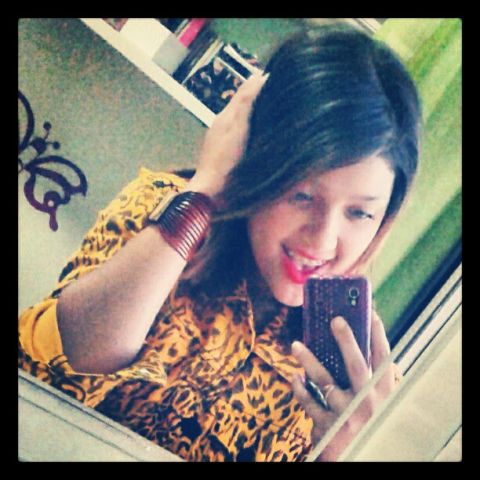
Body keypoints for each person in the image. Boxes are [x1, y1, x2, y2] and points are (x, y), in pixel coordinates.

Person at [18, 23, 421, 462]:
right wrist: (205, 191)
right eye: (301, 194)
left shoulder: (360, 375)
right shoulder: (162, 210)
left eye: (359, 213)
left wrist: (349, 452)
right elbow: (58, 365)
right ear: (258, 158)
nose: (323, 240)